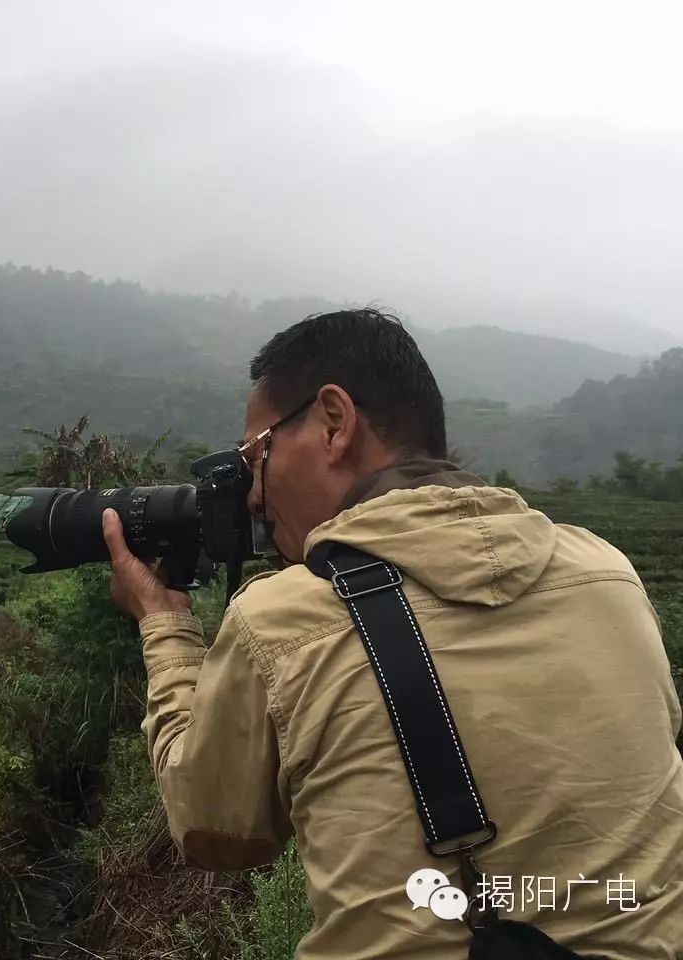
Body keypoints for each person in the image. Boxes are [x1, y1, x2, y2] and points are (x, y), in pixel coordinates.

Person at [100, 309, 683, 957]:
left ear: (333, 422)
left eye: (255, 457)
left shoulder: (284, 621)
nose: (253, 498)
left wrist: (164, 625)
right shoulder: (609, 579)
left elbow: (212, 827)